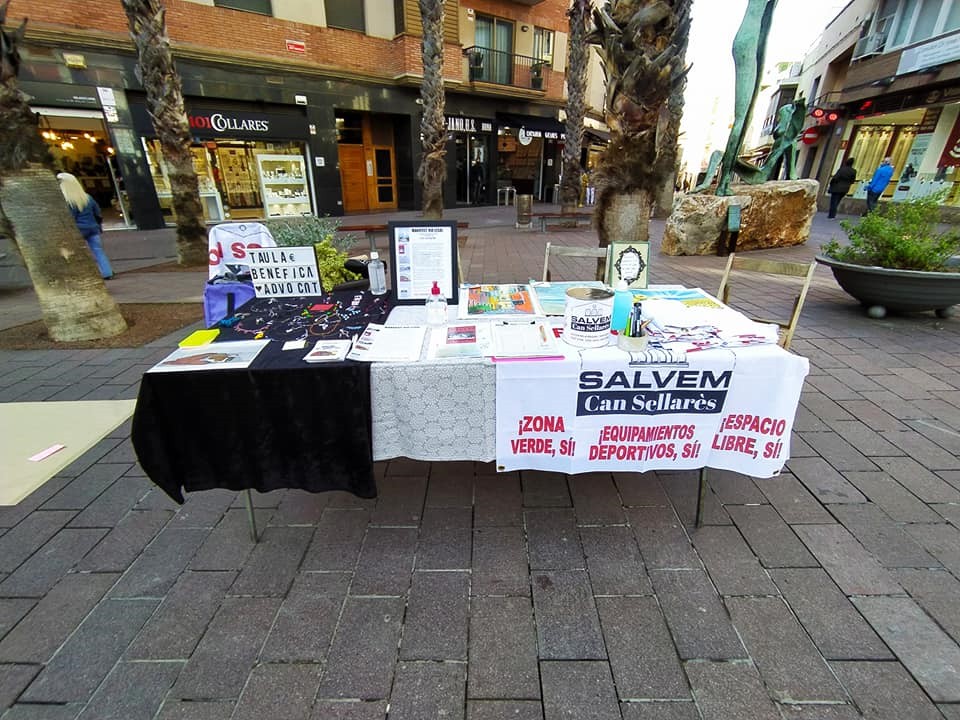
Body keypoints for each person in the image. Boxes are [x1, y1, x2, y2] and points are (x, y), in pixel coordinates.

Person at [57, 171, 113, 279]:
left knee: (76, 252)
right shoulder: (87, 197)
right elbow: (97, 212)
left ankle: (83, 274)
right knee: (98, 250)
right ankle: (107, 272)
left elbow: (70, 218)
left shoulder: (68, 201)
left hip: (79, 229)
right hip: (92, 228)